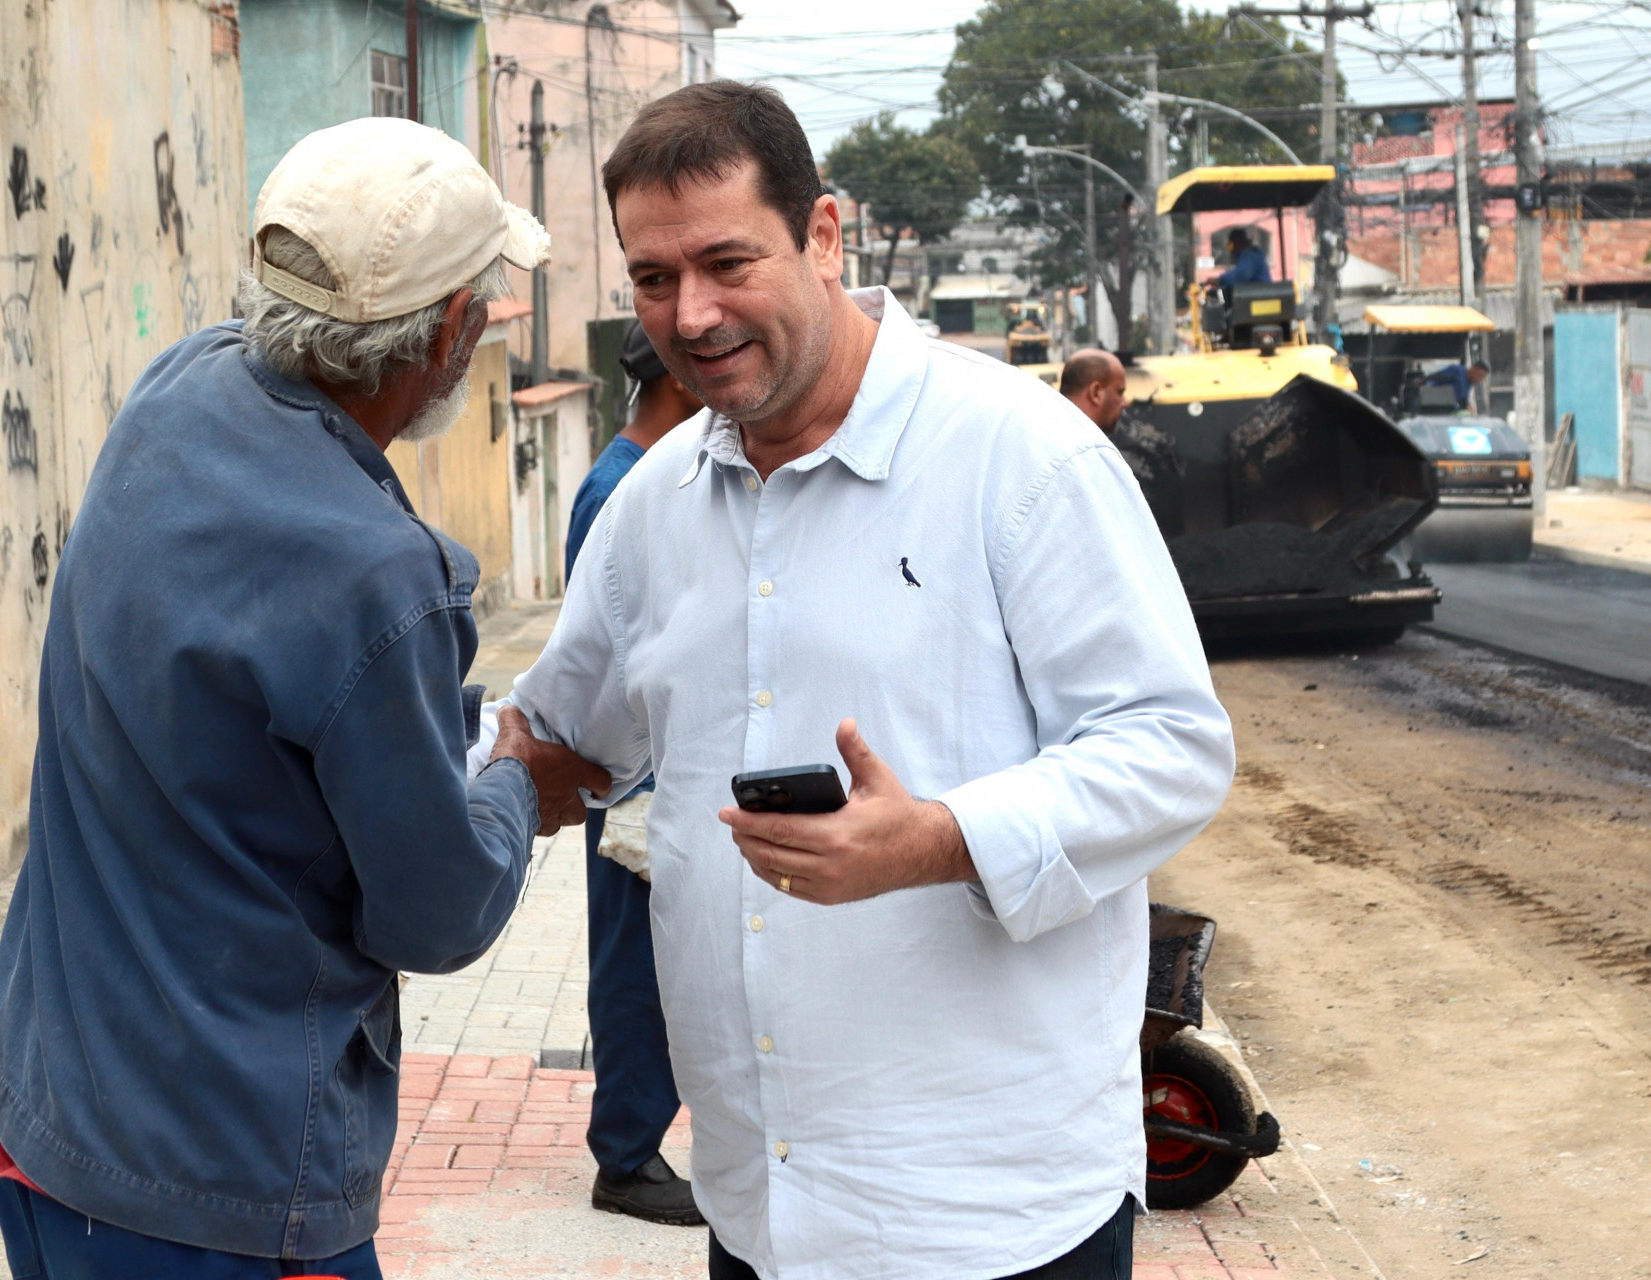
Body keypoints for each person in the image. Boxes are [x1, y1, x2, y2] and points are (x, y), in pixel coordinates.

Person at [474, 82, 1235, 1279]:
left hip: (991, 1212)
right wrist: (403, 773)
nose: (694, 311)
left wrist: (936, 837)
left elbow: (1171, 747)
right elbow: (565, 734)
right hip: (761, 1208)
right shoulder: (651, 511)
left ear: (825, 234)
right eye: (654, 278)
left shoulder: (1021, 458)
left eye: (729, 260)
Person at [0, 118, 610, 1279]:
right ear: (454, 335)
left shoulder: (179, 385)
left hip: (46, 1103)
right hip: (219, 1171)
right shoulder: (378, 577)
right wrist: (521, 781)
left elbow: (258, 701)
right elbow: (435, 912)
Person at [569, 322, 707, 1226]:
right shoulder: (620, 487)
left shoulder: (655, 473)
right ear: (674, 379)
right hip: (630, 775)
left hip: (662, 767)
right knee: (631, 964)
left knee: (662, 962)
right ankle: (623, 1157)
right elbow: (599, 651)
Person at [1060, 347, 1128, 434]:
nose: (1126, 403)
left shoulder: (1046, 434)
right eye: (1119, 392)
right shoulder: (1089, 444)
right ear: (1095, 393)